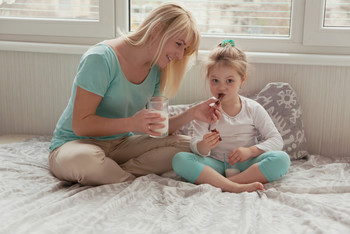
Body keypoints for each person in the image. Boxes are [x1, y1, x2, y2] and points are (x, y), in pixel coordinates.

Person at [48, 2, 221, 186]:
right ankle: (121, 175)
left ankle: (112, 171)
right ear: (156, 29)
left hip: (121, 144)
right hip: (76, 144)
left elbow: (158, 129)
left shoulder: (156, 68)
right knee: (87, 161)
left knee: (190, 146)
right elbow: (81, 125)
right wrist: (131, 123)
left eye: (184, 49)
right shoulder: (100, 58)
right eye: (178, 44)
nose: (179, 55)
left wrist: (192, 113)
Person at [172, 40, 291, 193]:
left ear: (242, 80)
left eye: (229, 81)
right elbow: (195, 145)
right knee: (180, 160)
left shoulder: (253, 108)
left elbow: (276, 140)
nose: (221, 87)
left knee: (281, 159)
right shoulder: (205, 111)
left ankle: (225, 184)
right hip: (216, 165)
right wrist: (204, 146)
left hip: (247, 165)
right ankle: (234, 186)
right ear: (208, 79)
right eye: (215, 80)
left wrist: (250, 152)